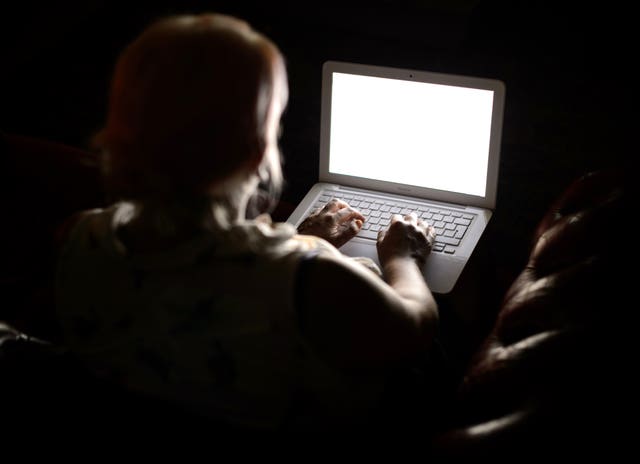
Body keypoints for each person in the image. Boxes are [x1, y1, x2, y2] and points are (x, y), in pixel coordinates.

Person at [54, 13, 439, 431]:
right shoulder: (308, 279)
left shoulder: (76, 238)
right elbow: (414, 330)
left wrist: (295, 238)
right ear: (258, 150)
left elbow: (207, 278)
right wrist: (401, 257)